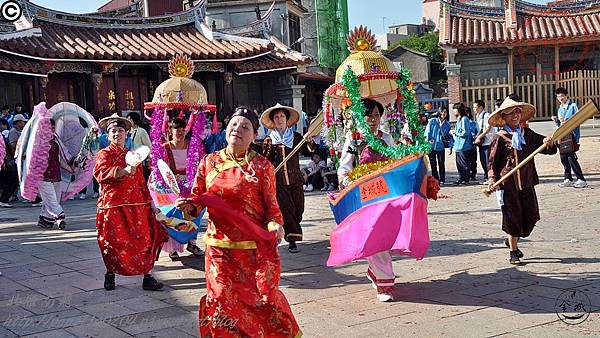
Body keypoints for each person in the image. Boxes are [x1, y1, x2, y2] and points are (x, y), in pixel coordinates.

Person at [176, 107, 301, 337]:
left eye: (245, 127)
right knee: (220, 301)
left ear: (254, 135)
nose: (238, 130)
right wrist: (189, 208)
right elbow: (197, 201)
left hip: (251, 252)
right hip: (218, 252)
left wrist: (276, 225)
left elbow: (273, 210)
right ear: (226, 130)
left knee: (258, 303)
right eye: (234, 125)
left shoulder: (262, 167)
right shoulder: (208, 162)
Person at [93, 113, 167, 291]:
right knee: (113, 241)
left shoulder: (133, 155)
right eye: (113, 131)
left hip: (138, 205)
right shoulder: (104, 154)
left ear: (127, 134)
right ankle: (110, 273)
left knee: (144, 239)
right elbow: (101, 175)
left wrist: (151, 204)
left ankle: (147, 275)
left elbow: (141, 182)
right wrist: (125, 170)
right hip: (113, 205)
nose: (117, 134)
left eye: (120, 130)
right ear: (108, 135)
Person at [337, 98, 397, 302]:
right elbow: (344, 169)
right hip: (364, 197)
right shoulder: (354, 140)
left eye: (376, 115)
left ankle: (375, 271)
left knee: (384, 240)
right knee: (374, 238)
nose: (373, 119)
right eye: (368, 115)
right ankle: (385, 285)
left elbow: (396, 163)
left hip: (386, 196)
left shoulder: (387, 138)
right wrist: (348, 182)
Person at [487, 98, 556, 265]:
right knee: (513, 217)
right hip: (508, 185)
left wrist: (549, 142)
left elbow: (549, 150)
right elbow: (492, 162)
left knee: (530, 216)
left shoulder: (527, 134)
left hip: (526, 182)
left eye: (517, 111)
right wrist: (491, 179)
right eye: (511, 112)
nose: (515, 115)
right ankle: (513, 251)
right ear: (503, 116)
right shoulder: (500, 137)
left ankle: (511, 239)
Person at [261, 103, 316, 253]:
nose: (279, 119)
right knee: (287, 209)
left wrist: (310, 141)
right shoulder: (270, 140)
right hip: (279, 182)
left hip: (295, 179)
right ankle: (292, 240)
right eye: (277, 117)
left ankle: (291, 229)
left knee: (299, 208)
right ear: (273, 121)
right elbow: (266, 161)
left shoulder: (296, 137)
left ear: (286, 119)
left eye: (282, 116)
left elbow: (309, 151)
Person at [161, 118, 204, 261]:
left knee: (195, 211)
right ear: (170, 131)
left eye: (182, 130)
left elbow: (200, 164)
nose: (180, 133)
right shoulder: (164, 148)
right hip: (170, 187)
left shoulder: (192, 146)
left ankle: (192, 243)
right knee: (172, 215)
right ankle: (172, 248)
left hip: (191, 185)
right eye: (177, 130)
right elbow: (159, 169)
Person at [37, 119, 74, 230]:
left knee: (54, 199)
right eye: (49, 128)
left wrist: (69, 169)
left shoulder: (56, 140)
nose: (51, 130)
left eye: (53, 128)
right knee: (51, 199)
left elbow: (60, 158)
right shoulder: (37, 141)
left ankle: (45, 220)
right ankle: (60, 216)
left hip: (56, 174)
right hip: (42, 176)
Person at [555, 87, 587, 188]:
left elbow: (578, 120)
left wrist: (576, 137)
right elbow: (560, 124)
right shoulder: (560, 108)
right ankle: (568, 179)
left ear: (566, 95)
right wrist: (556, 121)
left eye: (562, 96)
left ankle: (581, 179)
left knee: (571, 158)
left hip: (571, 136)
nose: (561, 98)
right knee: (563, 158)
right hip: (562, 137)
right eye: (558, 96)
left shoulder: (573, 106)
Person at [424, 106, 452, 184]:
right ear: (439, 112)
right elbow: (427, 132)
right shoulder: (433, 121)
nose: (443, 113)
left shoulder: (447, 124)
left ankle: (442, 179)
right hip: (431, 146)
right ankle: (435, 179)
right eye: (442, 111)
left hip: (441, 146)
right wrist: (427, 143)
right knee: (433, 164)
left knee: (441, 163)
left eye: (445, 112)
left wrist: (450, 146)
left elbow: (448, 136)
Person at [450, 103, 474, 185]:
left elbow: (465, 132)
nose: (454, 111)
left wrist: (455, 133)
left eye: (455, 108)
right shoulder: (459, 118)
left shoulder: (464, 119)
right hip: (458, 145)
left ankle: (466, 179)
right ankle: (461, 178)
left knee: (464, 163)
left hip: (464, 145)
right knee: (459, 164)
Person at [473, 100, 494, 185]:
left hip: (487, 142)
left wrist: (479, 137)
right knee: (483, 161)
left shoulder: (487, 116)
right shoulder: (477, 116)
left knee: (488, 161)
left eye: (475, 107)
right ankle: (486, 177)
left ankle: (490, 178)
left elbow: (488, 128)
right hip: (482, 143)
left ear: (481, 107)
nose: (474, 109)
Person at [0, 134, 18, 208]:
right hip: (5, 162)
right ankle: (4, 199)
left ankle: (4, 199)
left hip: (5, 161)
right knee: (14, 179)